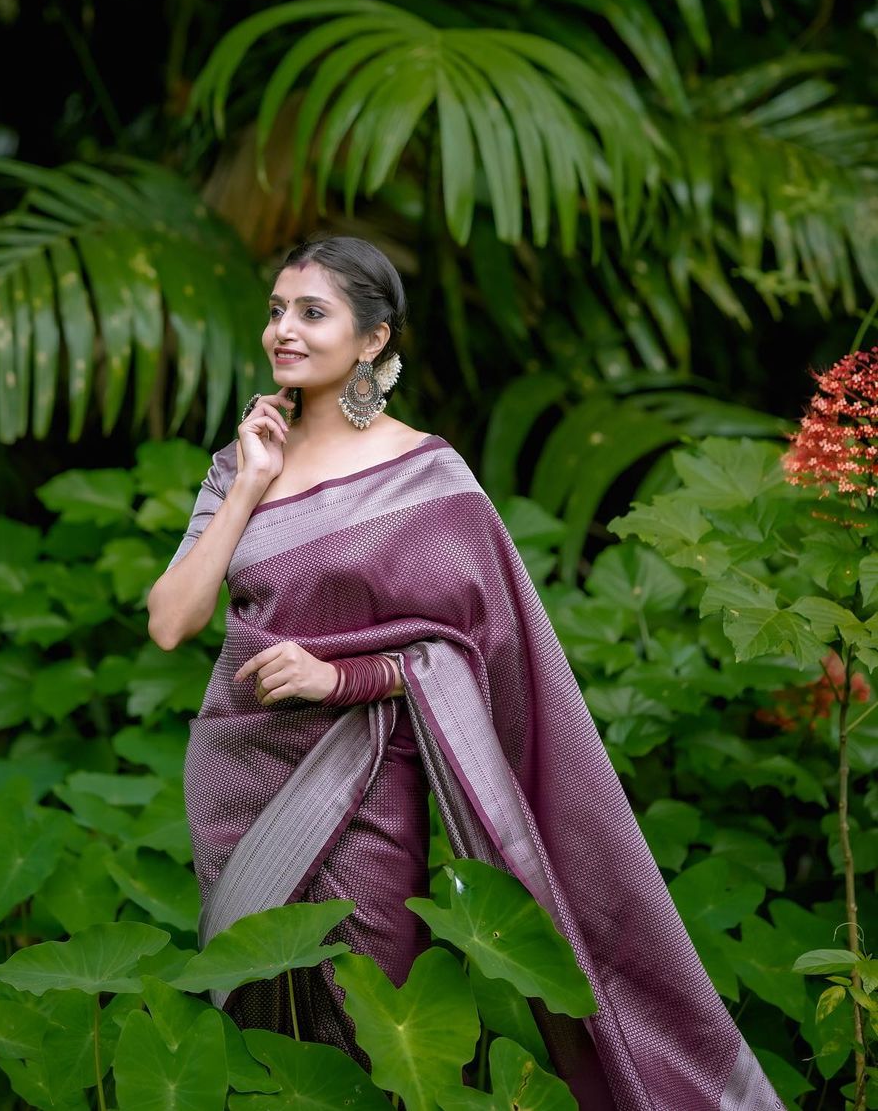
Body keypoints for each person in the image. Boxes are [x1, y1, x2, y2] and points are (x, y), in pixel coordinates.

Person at [146, 235, 784, 1111]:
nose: (282, 331)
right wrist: (253, 483)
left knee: (374, 1034)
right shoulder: (239, 463)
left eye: (311, 313)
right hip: (240, 777)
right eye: (275, 311)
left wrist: (344, 682)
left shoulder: (429, 477)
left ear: (372, 341)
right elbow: (171, 621)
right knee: (269, 1044)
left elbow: (469, 650)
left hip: (368, 783)